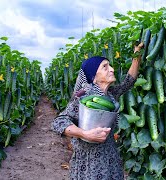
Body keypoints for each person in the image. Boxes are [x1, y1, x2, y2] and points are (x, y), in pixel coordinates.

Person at [52, 42, 143, 180]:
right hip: (90, 164)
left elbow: (129, 81)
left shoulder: (110, 94)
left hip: (110, 159)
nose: (111, 69)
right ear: (94, 77)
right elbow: (59, 122)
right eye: (105, 67)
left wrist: (137, 53)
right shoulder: (84, 96)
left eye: (110, 65)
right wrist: (84, 134)